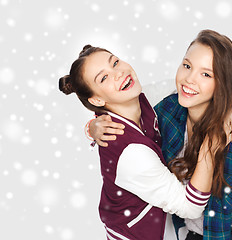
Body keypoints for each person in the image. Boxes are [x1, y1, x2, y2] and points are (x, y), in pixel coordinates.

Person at [90, 29, 232, 239]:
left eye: (206, 74)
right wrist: (93, 126)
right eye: (187, 66)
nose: (189, 79)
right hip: (186, 231)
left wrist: (229, 102)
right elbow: (120, 104)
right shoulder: (167, 109)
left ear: (222, 83)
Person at [59, 45, 223, 240]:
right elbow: (191, 207)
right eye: (103, 78)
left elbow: (190, 86)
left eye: (115, 62)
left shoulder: (142, 100)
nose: (118, 73)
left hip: (158, 224)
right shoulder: (131, 152)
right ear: (96, 100)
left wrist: (229, 105)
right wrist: (212, 141)